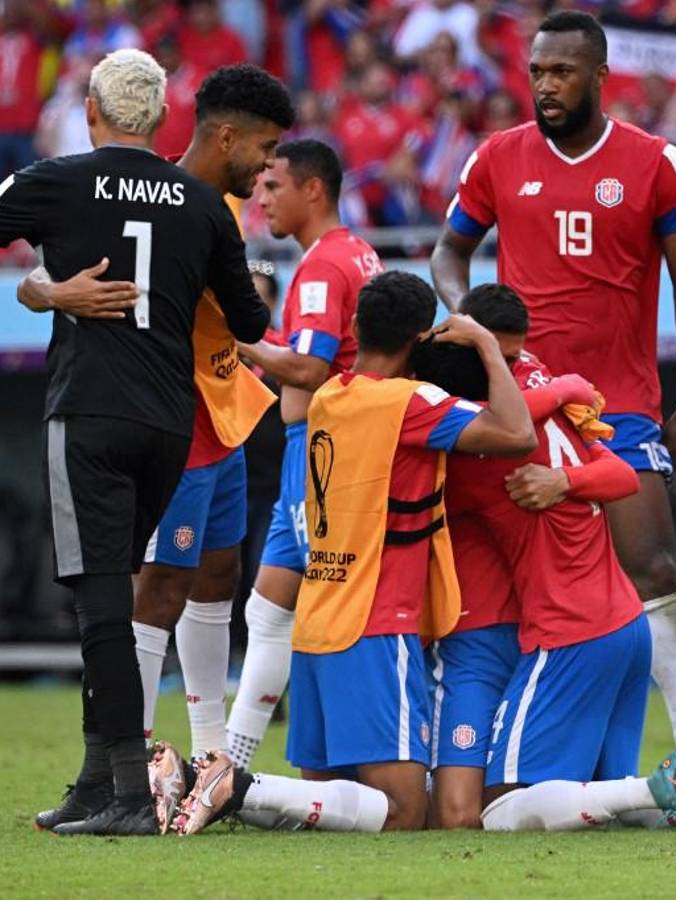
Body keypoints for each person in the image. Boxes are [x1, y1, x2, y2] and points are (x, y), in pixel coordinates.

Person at [430, 9, 676, 780]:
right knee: (526, 583)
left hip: (619, 406)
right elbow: (449, 251)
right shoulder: (497, 157)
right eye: (537, 72)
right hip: (524, 408)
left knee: (650, 569)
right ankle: (552, 752)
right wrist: (471, 322)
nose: (546, 86)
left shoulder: (657, 162)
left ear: (599, 76)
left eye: (562, 72)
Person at [161, 271, 538, 835]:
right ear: (419, 340)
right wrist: (484, 342)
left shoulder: (329, 395)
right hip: (378, 626)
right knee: (405, 811)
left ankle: (207, 784)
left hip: (316, 625)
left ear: (356, 327)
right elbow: (517, 433)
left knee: (330, 805)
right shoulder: (412, 403)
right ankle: (235, 784)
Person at [0, 48, 269, 835]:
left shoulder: (57, 179)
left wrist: (48, 291)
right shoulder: (203, 204)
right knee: (114, 597)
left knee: (102, 604)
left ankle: (125, 791)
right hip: (168, 426)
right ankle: (95, 785)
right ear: (160, 118)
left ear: (91, 111)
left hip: (90, 411)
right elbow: (251, 319)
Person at [417, 285, 676, 833]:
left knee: (497, 808)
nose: (519, 365)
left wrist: (561, 477)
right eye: (508, 356)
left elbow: (500, 430)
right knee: (604, 808)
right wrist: (564, 397)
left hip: (567, 630)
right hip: (626, 625)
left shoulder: (479, 441)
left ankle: (658, 786)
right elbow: (619, 474)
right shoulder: (543, 392)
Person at [225, 139, 385, 769]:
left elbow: (312, 367)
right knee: (266, 608)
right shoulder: (357, 253)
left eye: (273, 187)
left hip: (325, 456)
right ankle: (231, 765)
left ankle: (374, 765)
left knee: (326, 612)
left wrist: (235, 341)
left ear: (312, 189)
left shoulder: (322, 266)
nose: (260, 199)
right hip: (319, 454)